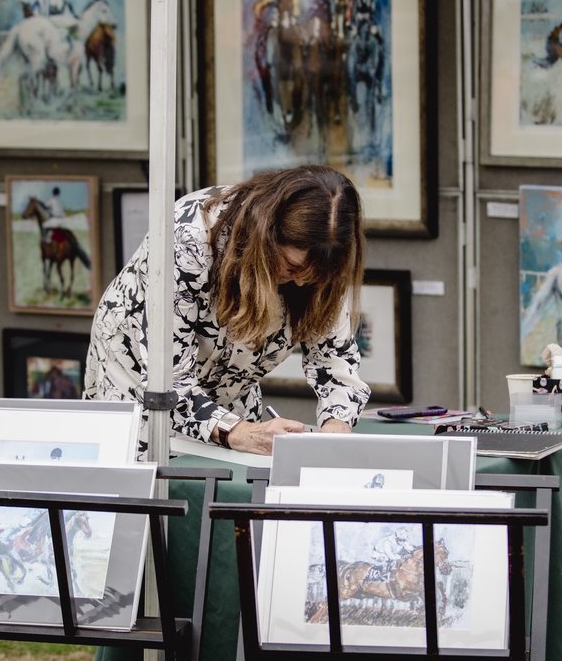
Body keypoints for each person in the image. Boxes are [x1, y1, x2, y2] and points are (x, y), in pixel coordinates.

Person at [84, 165, 370, 456]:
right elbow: (168, 381)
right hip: (139, 385)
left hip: (230, 390)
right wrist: (236, 432)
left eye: (315, 274)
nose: (301, 281)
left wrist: (337, 425)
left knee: (232, 486)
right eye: (292, 266)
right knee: (144, 485)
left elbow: (334, 359)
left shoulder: (322, 260)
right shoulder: (189, 236)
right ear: (267, 238)